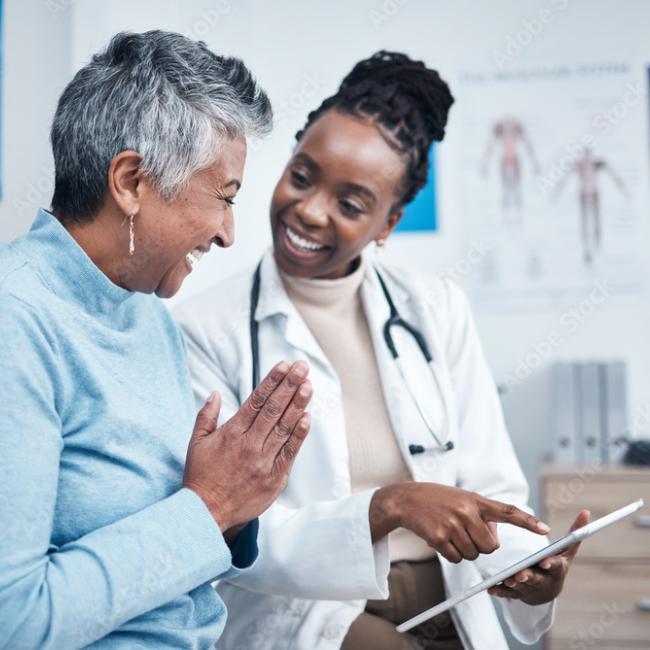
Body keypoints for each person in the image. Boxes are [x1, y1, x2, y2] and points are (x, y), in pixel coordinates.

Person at [174, 52, 586, 649]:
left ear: (389, 223)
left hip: (455, 597)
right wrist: (387, 507)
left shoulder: (434, 309)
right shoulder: (205, 328)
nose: (310, 210)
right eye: (303, 175)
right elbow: (227, 529)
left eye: (350, 204)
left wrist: (528, 571)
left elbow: (492, 486)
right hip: (307, 614)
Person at [0, 31, 314, 649]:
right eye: (224, 197)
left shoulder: (146, 315)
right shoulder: (17, 322)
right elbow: (15, 621)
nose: (228, 234)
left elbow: (178, 548)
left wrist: (237, 500)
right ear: (131, 182)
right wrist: (210, 507)